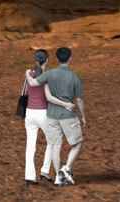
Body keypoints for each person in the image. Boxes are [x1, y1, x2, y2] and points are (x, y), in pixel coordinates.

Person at [39, 46, 87, 186]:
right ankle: (66, 169)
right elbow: (78, 99)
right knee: (77, 143)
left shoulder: (50, 74)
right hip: (68, 115)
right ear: (70, 58)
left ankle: (58, 176)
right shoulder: (74, 76)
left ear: (57, 58)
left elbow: (36, 83)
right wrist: (83, 116)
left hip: (51, 115)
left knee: (55, 146)